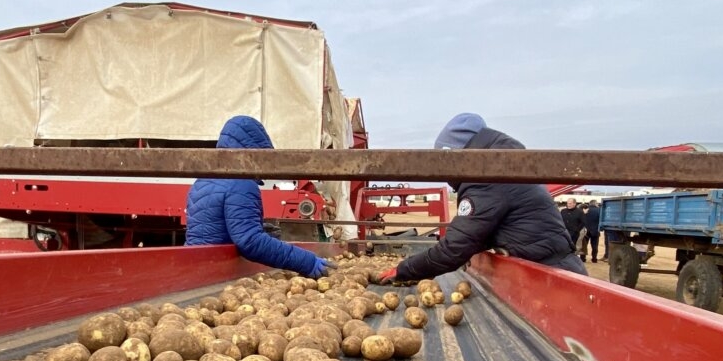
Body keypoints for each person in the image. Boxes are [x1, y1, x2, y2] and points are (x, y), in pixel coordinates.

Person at [377, 113, 586, 284]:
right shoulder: (505, 166)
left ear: (457, 155)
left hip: (554, 279)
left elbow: (454, 249)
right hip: (555, 270)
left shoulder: (489, 176)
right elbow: (478, 234)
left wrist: (404, 270)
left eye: (445, 163)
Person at [186, 115, 332, 278]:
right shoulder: (241, 183)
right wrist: (307, 262)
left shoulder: (202, 180)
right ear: (254, 154)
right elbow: (250, 241)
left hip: (192, 267)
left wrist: (261, 231)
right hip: (216, 272)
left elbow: (214, 230)